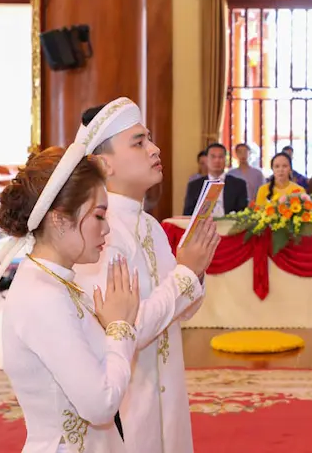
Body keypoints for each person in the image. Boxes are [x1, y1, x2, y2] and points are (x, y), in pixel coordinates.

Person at [73, 98, 221, 453]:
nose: (154, 149)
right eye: (139, 142)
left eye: (149, 139)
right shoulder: (100, 231)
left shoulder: (151, 225)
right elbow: (128, 328)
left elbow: (182, 309)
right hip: (127, 405)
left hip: (166, 393)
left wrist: (195, 272)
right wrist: (187, 271)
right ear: (103, 164)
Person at [0, 144, 141, 453]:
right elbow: (100, 405)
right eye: (99, 215)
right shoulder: (44, 296)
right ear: (59, 220)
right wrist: (119, 328)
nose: (107, 227)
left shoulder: (54, 280)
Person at [183, 143, 248, 216]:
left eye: (221, 157)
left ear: (226, 160)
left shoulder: (239, 184)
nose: (217, 160)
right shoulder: (194, 186)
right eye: (213, 157)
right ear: (206, 160)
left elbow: (242, 214)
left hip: (230, 225)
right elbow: (187, 214)